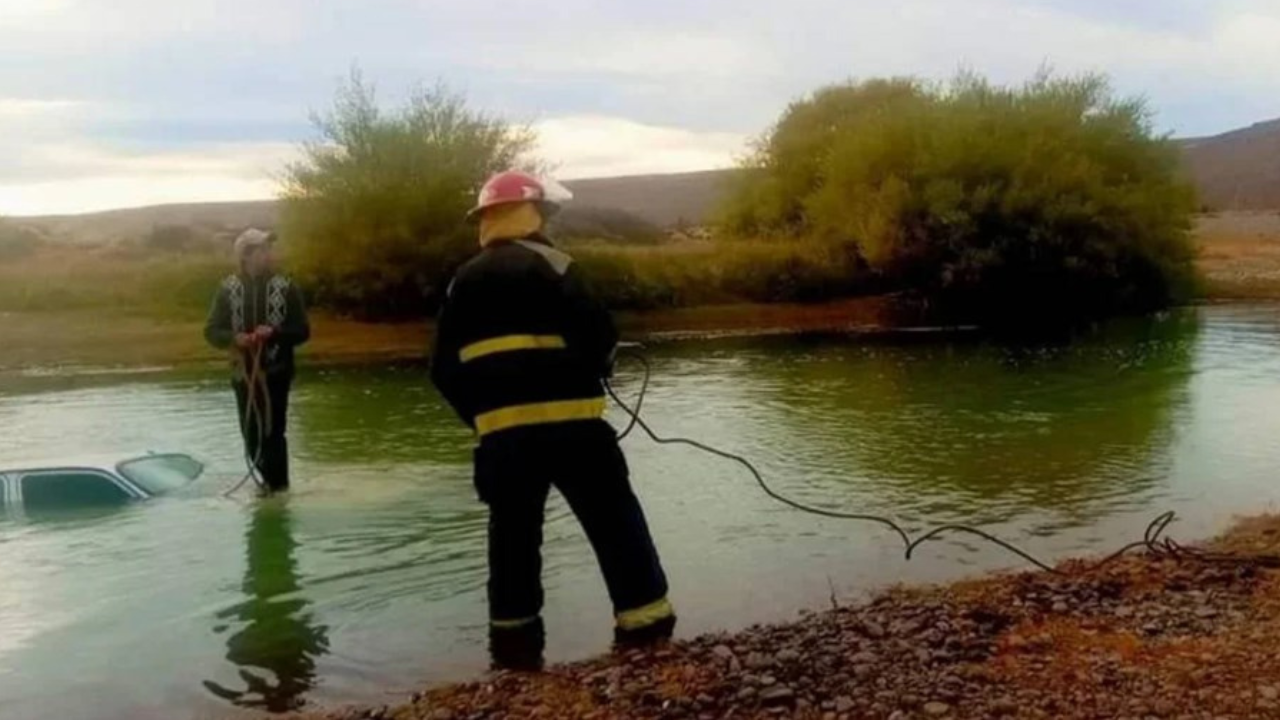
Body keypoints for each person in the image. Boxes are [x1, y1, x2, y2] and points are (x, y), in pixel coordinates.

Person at [430, 171, 675, 670]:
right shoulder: (557, 265)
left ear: (486, 221)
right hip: (576, 432)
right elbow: (600, 339)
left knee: (512, 541)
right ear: (533, 214)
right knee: (615, 524)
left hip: (503, 443)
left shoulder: (462, 282)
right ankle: (647, 629)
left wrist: (484, 420)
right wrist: (590, 371)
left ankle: (514, 650)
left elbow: (442, 370)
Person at [204, 228, 310, 493]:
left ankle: (279, 490)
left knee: (274, 435)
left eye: (268, 249)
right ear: (246, 255)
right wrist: (234, 338)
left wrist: (274, 333)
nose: (268, 254)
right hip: (243, 374)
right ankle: (270, 486)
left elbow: (302, 331)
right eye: (262, 249)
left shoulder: (286, 287)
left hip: (276, 372)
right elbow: (211, 330)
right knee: (251, 436)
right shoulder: (227, 289)